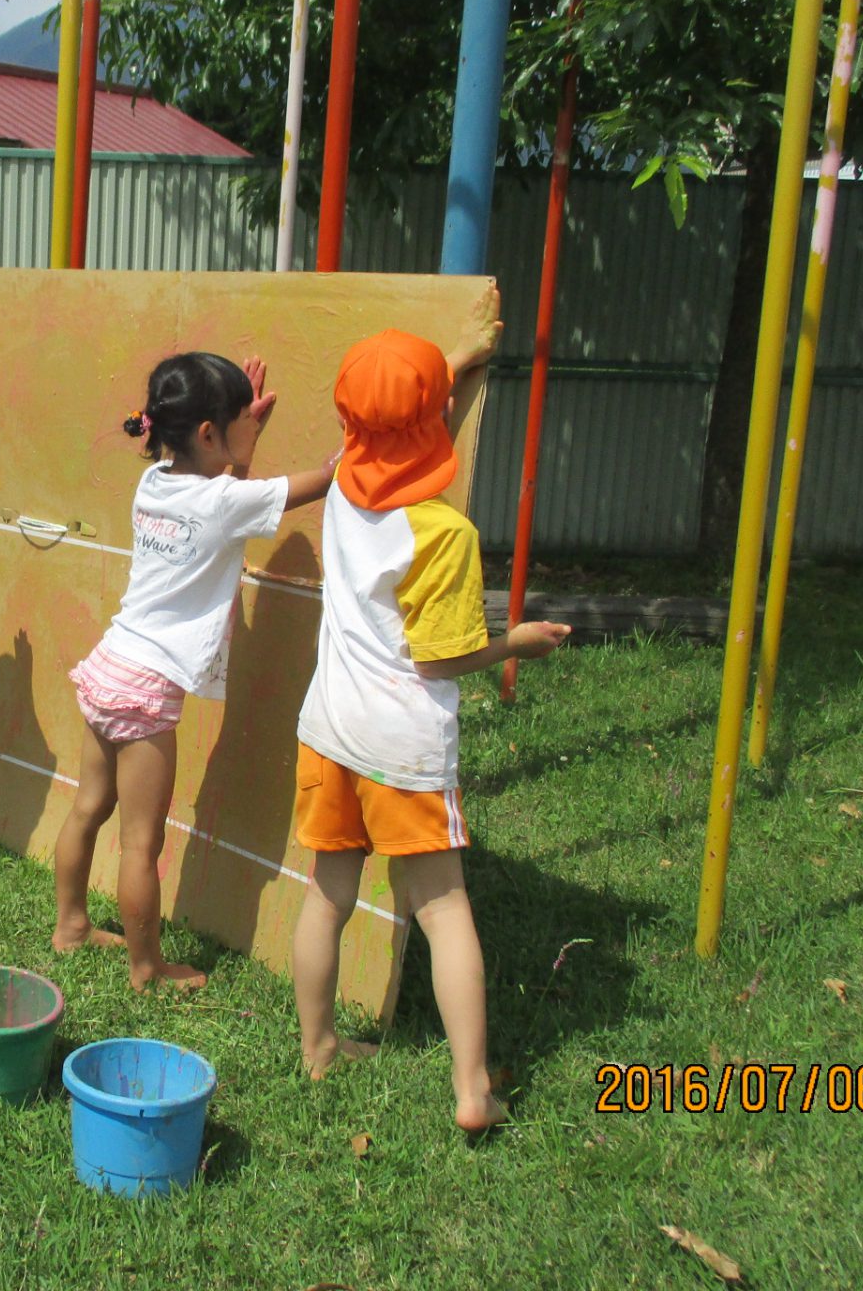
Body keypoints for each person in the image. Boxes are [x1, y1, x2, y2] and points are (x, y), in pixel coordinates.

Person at [288, 325, 570, 1131]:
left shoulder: (342, 479)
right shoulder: (444, 534)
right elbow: (441, 659)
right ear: (434, 419)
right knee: (444, 909)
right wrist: (515, 642)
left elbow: (383, 419)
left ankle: (317, 1048)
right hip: (402, 747)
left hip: (329, 728)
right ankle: (473, 1091)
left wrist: (450, 366)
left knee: (328, 894)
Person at [54, 351, 339, 990]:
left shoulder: (153, 482)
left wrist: (242, 439)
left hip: (109, 665)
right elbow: (321, 480)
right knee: (140, 844)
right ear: (209, 433)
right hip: (148, 691)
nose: (248, 428)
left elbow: (222, 501)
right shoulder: (225, 501)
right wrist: (367, 443)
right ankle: (147, 967)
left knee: (87, 809)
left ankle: (70, 925)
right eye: (239, 422)